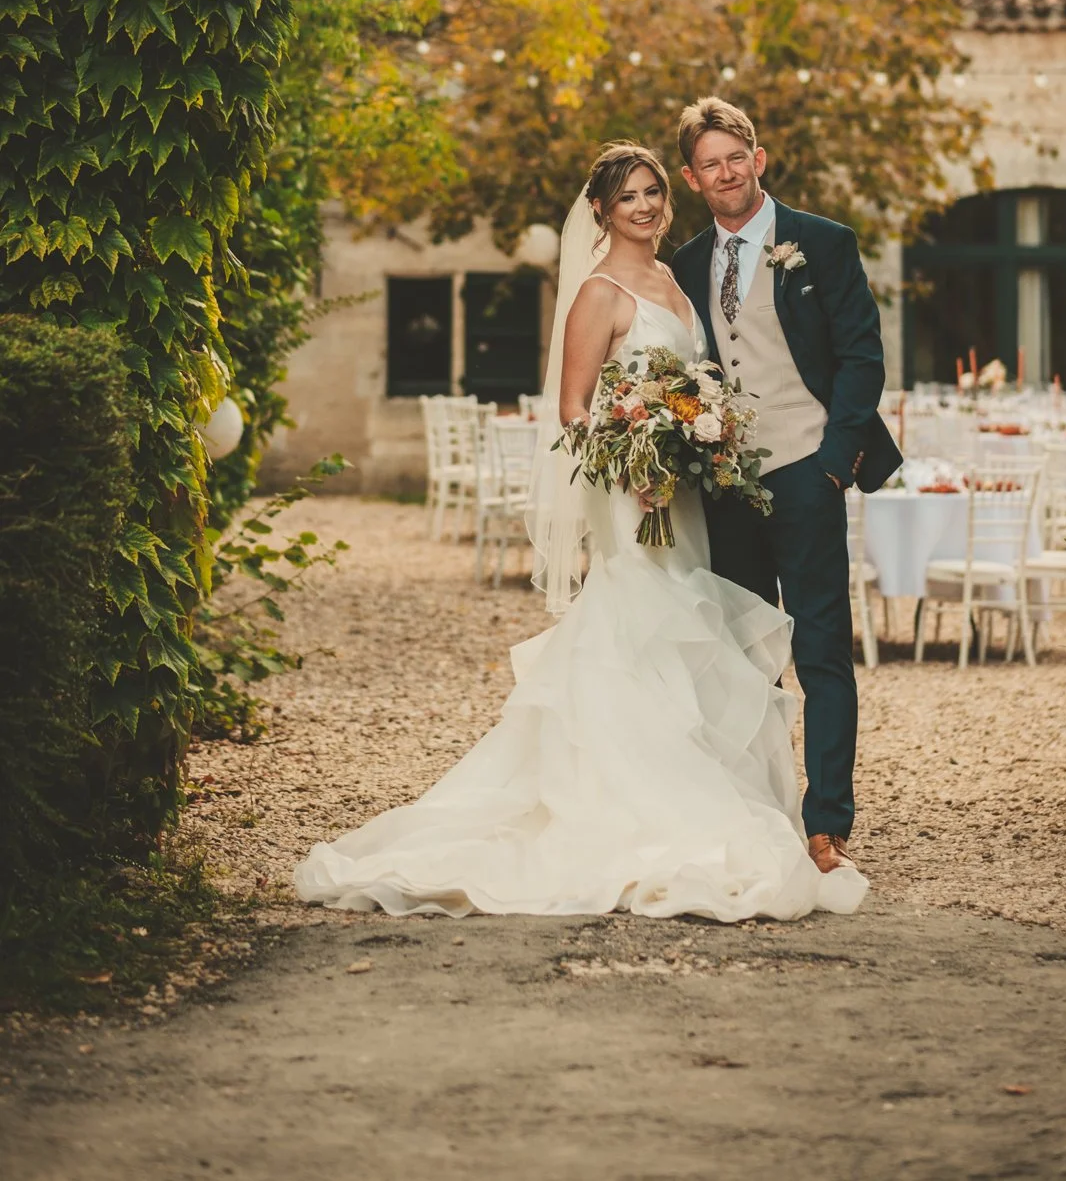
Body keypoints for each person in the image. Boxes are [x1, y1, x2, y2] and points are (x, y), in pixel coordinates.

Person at [295, 142, 868, 921]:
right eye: (628, 196)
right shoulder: (597, 292)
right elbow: (571, 407)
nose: (644, 206)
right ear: (599, 209)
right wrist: (634, 455)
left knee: (703, 639)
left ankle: (732, 799)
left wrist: (689, 436)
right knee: (643, 631)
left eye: (654, 192)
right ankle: (638, 807)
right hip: (636, 494)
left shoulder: (676, 276)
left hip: (693, 492)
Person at [671, 99, 901, 875]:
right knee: (742, 652)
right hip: (725, 480)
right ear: (692, 176)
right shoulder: (683, 263)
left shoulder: (824, 243)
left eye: (737, 156)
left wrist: (835, 461)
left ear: (758, 159)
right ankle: (756, 807)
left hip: (808, 468)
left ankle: (827, 819)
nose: (727, 172)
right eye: (710, 163)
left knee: (821, 650)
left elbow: (863, 357)